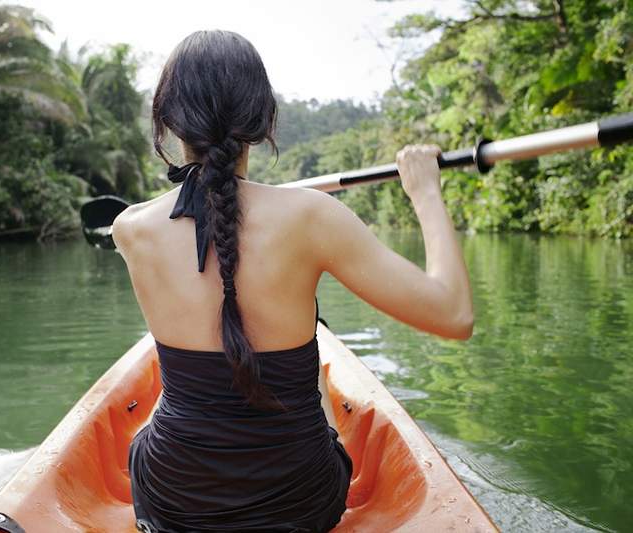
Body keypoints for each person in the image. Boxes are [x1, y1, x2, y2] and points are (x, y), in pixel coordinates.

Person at [114, 29, 473, 533]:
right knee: (314, 351)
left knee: (170, 397)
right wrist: (426, 193)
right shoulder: (313, 217)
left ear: (169, 123)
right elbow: (454, 314)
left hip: (174, 500)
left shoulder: (129, 229)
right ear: (264, 121)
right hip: (299, 502)